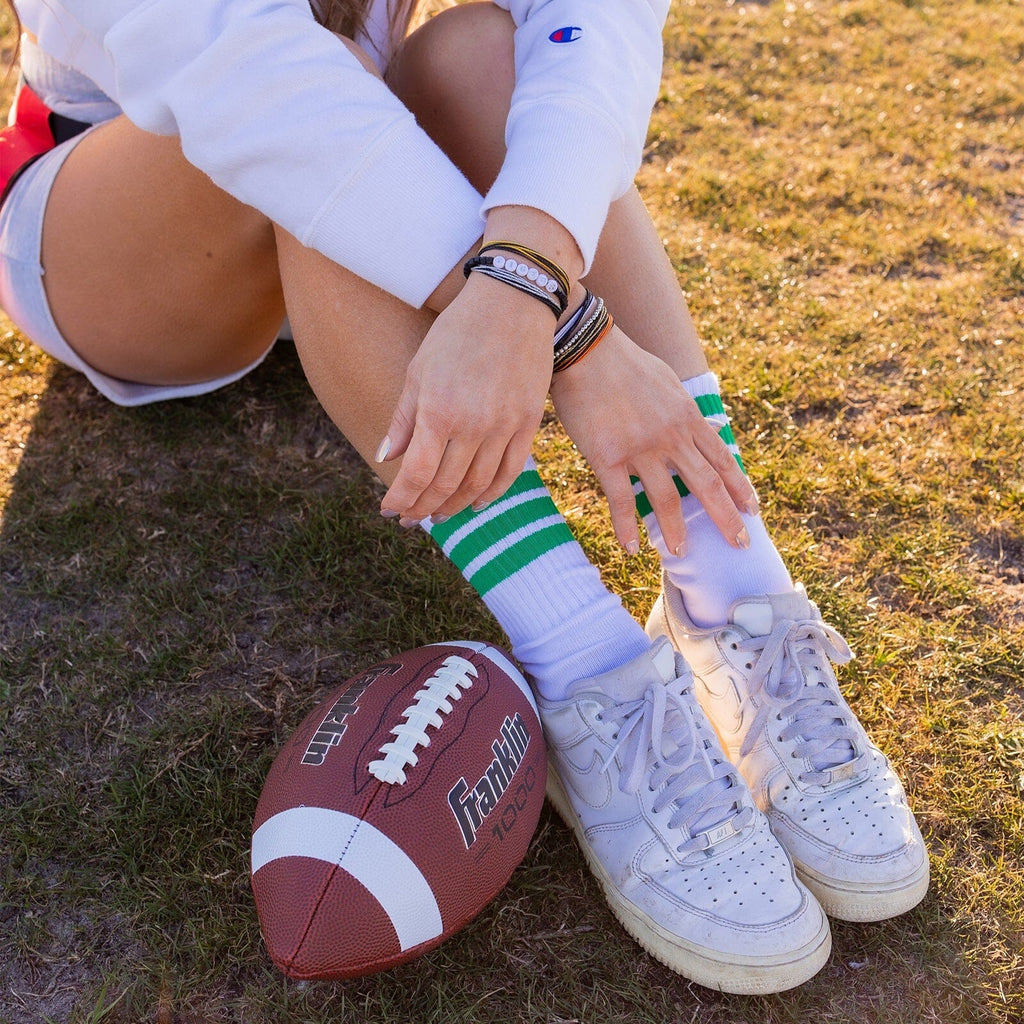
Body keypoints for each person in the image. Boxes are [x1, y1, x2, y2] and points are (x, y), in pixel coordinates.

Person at [0, 0, 928, 995]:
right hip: (131, 235)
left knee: (485, 55)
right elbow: (250, 84)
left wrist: (523, 276)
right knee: (315, 96)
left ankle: (731, 588)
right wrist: (572, 334)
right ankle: (583, 662)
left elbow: (590, 20)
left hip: (347, 169)